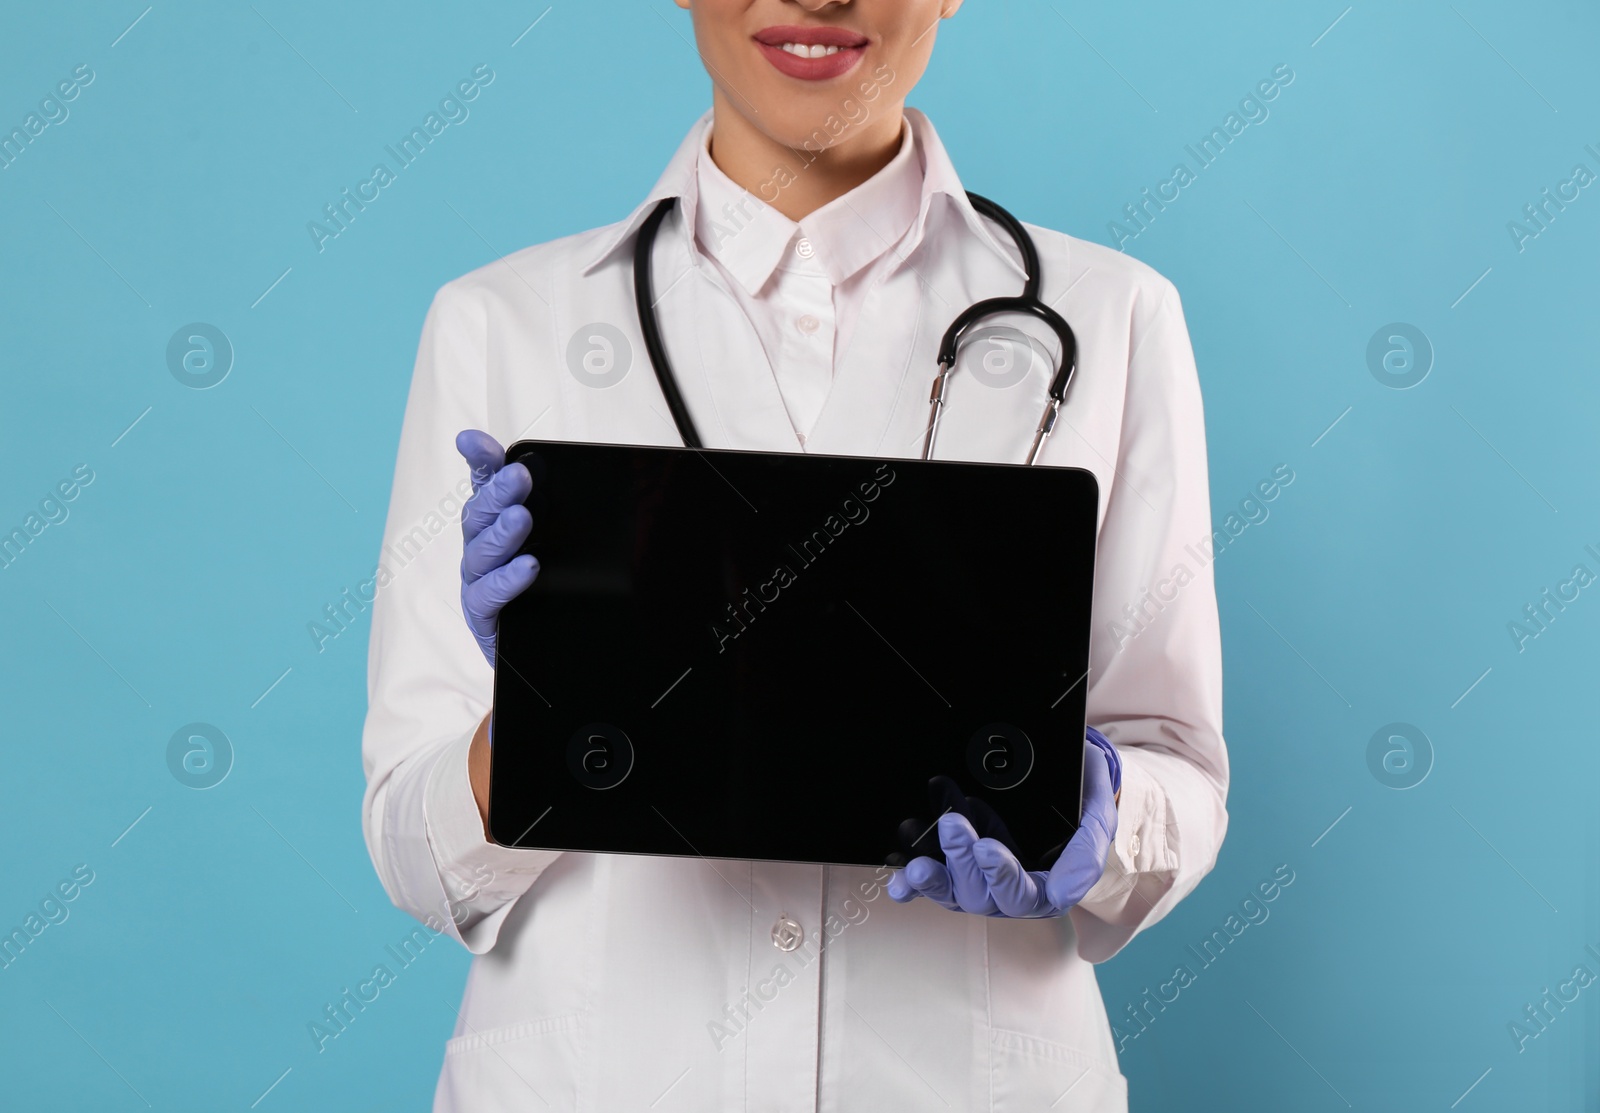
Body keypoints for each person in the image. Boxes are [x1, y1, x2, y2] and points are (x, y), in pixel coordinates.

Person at [361, 1, 1228, 1108]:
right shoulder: (501, 325)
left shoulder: (1113, 320)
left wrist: (1095, 816)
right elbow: (412, 853)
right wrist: (547, 708)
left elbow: (1181, 776)